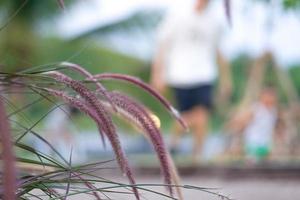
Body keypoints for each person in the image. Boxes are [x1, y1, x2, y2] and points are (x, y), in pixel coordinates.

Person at [151, 0, 231, 163]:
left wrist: (226, 79)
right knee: (184, 116)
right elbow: (162, 44)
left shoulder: (214, 21)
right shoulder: (177, 13)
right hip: (180, 75)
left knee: (202, 116)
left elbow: (219, 51)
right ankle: (174, 142)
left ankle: (197, 157)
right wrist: (157, 74)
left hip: (204, 75)